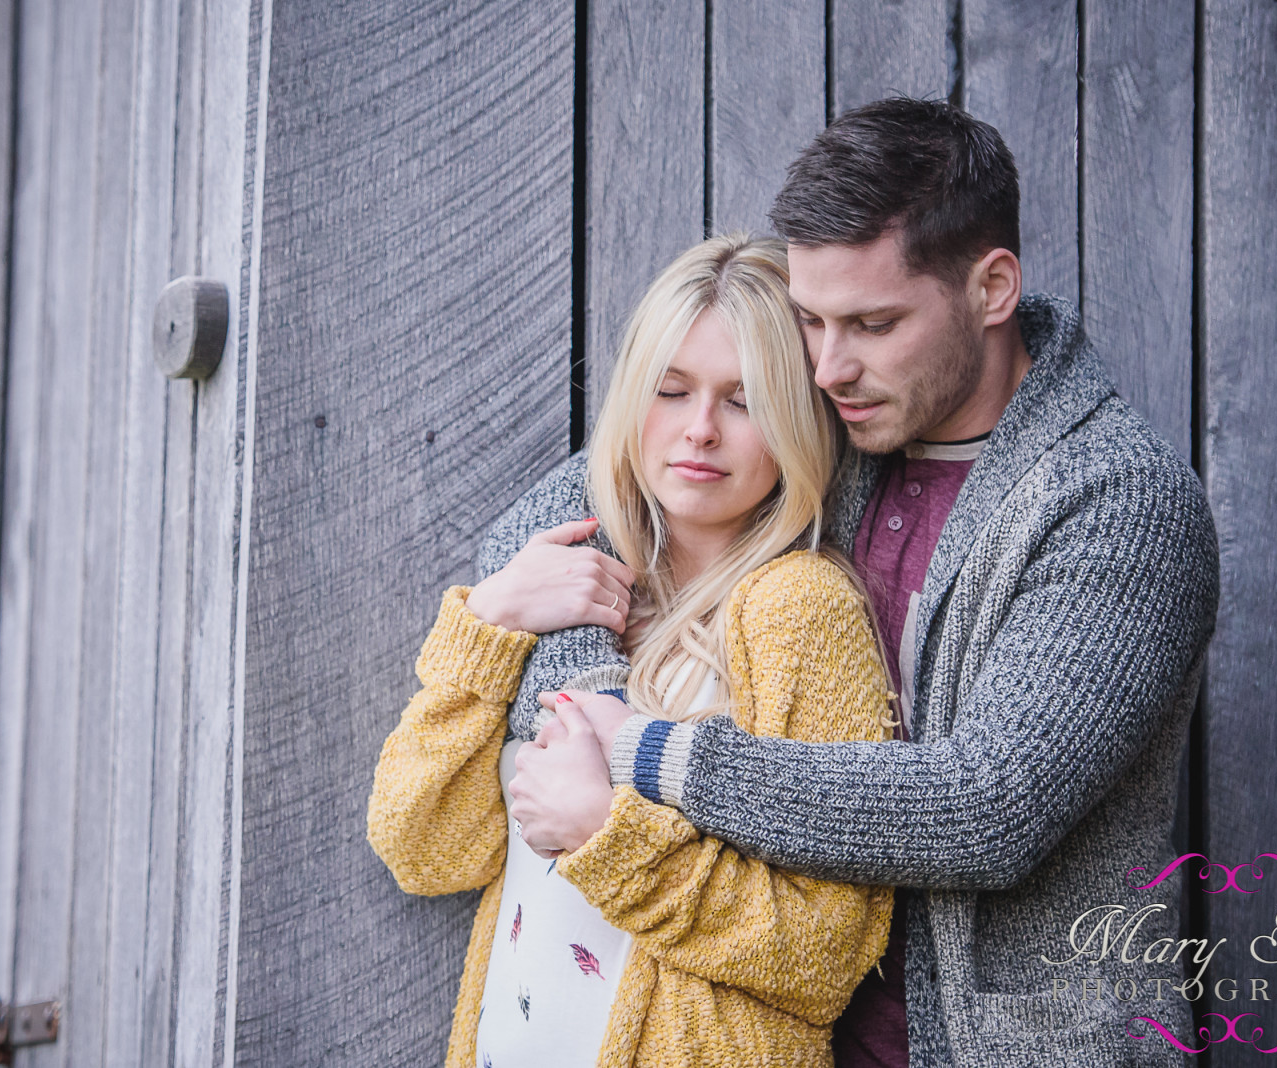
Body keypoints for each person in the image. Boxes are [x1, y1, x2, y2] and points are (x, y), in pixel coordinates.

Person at [488, 98, 1220, 1068]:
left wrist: (644, 756)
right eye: (810, 321)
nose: (828, 366)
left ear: (991, 286)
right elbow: (559, 512)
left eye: (873, 323)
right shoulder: (835, 418)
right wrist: (594, 699)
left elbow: (987, 810)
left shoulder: (1117, 504)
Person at [366, 234, 898, 1067]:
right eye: (671, 389)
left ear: (797, 416)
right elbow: (424, 847)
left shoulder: (800, 610)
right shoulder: (565, 603)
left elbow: (827, 951)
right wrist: (493, 616)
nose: (698, 431)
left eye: (743, 399)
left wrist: (604, 836)